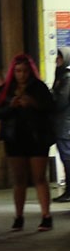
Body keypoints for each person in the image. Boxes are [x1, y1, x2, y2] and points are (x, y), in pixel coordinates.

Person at [0, 53, 57, 230]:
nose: (22, 75)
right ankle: (18, 216)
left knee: (39, 177)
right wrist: (11, 106)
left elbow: (51, 107)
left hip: (37, 137)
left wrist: (33, 103)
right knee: (19, 179)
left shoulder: (39, 88)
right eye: (18, 71)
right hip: (15, 137)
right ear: (13, 71)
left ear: (30, 71)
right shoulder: (6, 89)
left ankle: (46, 215)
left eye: (25, 71)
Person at [54, 51, 70, 203]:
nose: (56, 60)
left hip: (65, 125)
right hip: (63, 124)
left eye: (59, 58)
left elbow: (60, 102)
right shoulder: (62, 77)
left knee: (67, 158)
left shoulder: (66, 79)